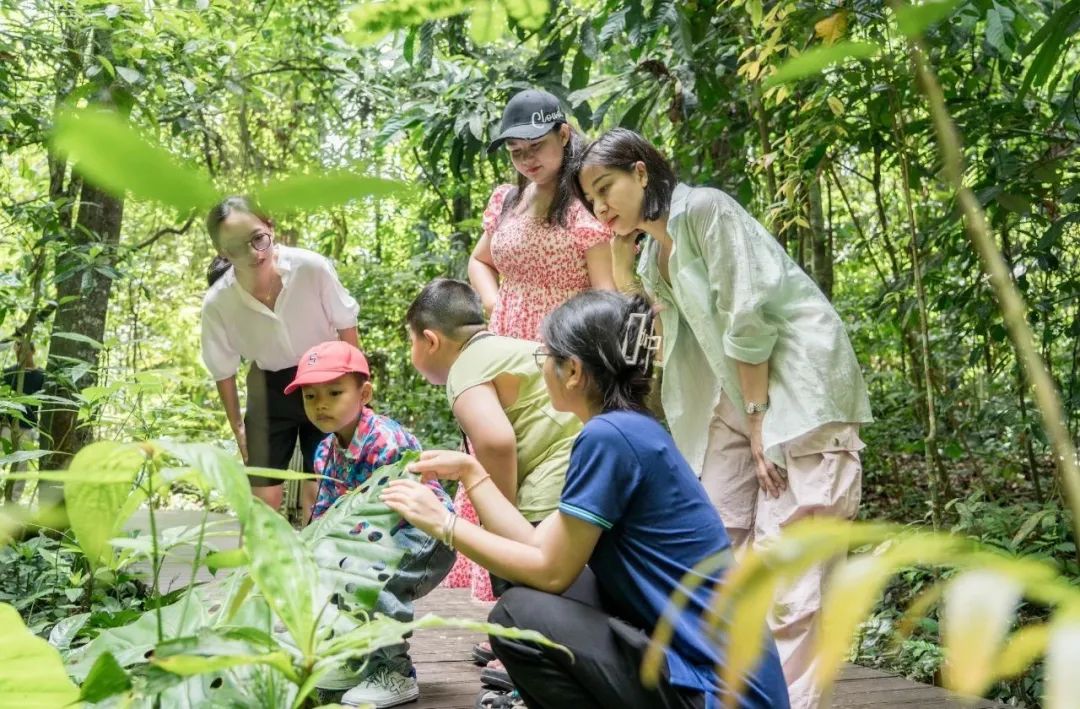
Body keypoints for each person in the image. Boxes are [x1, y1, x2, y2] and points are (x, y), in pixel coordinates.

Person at [569, 129, 873, 709]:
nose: (601, 207)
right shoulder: (656, 248)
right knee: (717, 556)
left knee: (793, 575)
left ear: (641, 171)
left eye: (606, 188)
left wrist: (760, 421)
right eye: (591, 201)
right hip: (724, 407)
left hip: (795, 396)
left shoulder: (705, 209)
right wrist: (618, 248)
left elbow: (747, 313)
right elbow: (643, 322)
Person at [383, 291, 791, 709]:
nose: (541, 367)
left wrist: (445, 525)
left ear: (573, 370)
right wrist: (472, 472)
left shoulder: (607, 438)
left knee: (517, 614)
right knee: (549, 588)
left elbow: (550, 573)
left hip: (715, 691)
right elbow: (537, 547)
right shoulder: (629, 429)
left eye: (546, 356)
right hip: (727, 681)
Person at [456, 87, 614, 610]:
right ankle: (505, 609)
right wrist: (497, 303)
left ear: (564, 135)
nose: (526, 160)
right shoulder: (505, 200)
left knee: (547, 482)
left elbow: (606, 297)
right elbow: (480, 261)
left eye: (536, 147)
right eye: (515, 151)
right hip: (506, 350)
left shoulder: (585, 204)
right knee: (498, 461)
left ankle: (544, 610)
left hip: (562, 357)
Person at [406, 277, 582, 653]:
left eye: (411, 341)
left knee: (516, 561)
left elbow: (496, 442)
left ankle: (523, 648)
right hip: (585, 458)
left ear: (431, 340)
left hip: (553, 472)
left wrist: (498, 510)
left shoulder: (465, 370)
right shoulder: (508, 347)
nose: (412, 351)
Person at [285, 340, 455, 708]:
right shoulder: (325, 450)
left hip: (420, 534)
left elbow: (399, 508)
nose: (321, 404)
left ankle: (396, 672)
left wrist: (346, 555)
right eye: (310, 397)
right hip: (370, 537)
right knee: (323, 569)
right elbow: (329, 512)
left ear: (364, 393)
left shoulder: (384, 441)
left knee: (369, 577)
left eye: (334, 392)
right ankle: (355, 658)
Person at [200, 195, 359, 519]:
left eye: (258, 239)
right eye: (237, 247)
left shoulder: (310, 268)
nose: (254, 253)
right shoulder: (218, 302)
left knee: (324, 487)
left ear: (270, 226)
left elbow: (346, 325)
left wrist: (356, 393)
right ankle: (257, 567)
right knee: (262, 497)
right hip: (269, 388)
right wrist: (238, 429)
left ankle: (321, 566)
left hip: (327, 377)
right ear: (222, 251)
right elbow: (222, 369)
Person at [1, 339, 46, 503]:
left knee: (21, 466)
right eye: (18, 352)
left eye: (24, 351)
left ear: (33, 352)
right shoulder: (8, 373)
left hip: (26, 427)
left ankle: (12, 502)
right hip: (7, 426)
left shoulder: (42, 376)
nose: (21, 355)